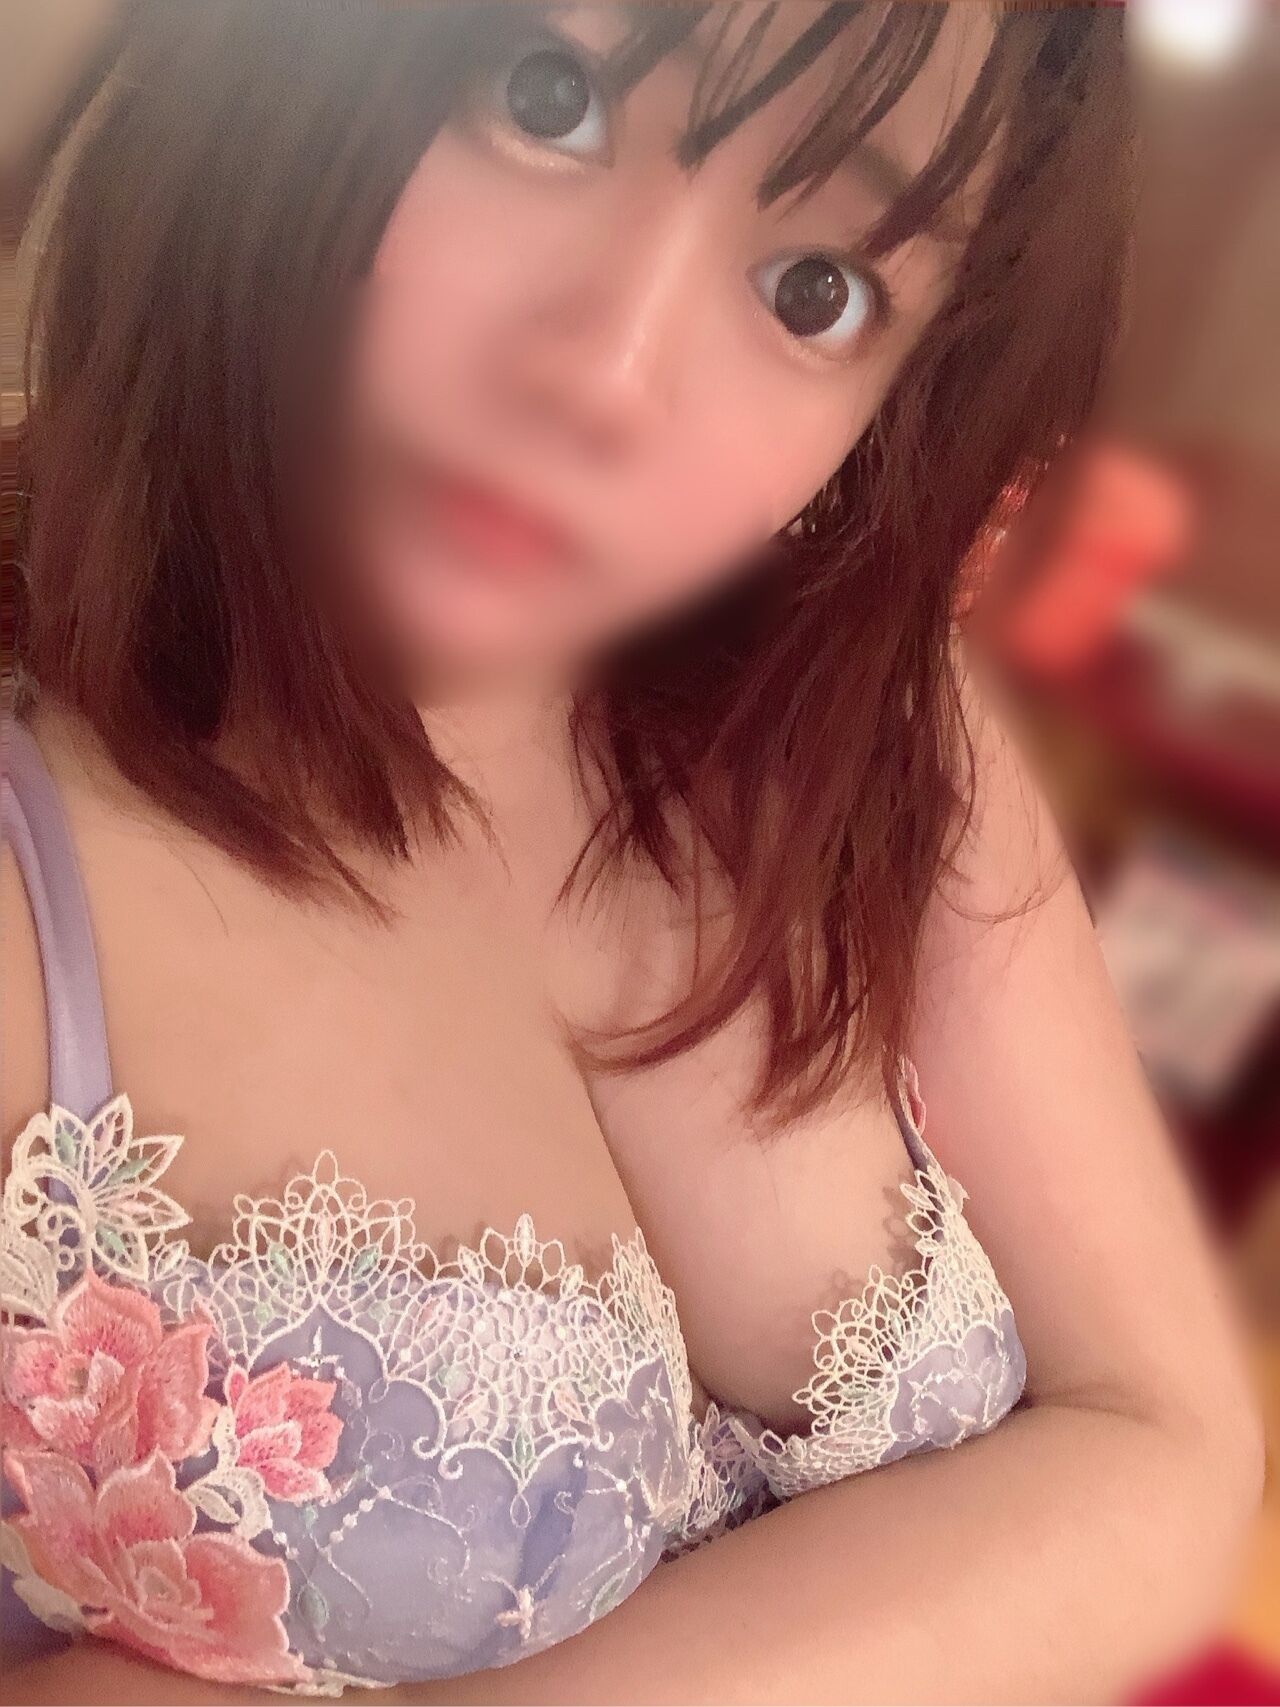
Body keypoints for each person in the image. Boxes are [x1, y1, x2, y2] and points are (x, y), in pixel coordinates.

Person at [0, 4, 1262, 1702]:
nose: (606, 373)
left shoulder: (885, 740)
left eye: (816, 290)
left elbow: (1172, 1439)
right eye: (547, 100)